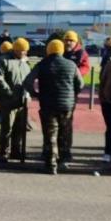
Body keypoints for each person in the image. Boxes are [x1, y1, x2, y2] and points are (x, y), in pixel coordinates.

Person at [23, 40, 84, 174]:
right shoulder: (71, 64)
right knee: (65, 132)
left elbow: (27, 82)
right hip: (66, 104)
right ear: (62, 50)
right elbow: (80, 84)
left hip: (48, 104)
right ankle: (64, 160)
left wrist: (36, 94)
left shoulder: (42, 65)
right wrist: (71, 94)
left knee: (50, 134)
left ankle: (51, 164)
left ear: (48, 50)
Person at [0, 37, 31, 162]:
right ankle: (3, 152)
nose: (23, 53)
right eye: (21, 51)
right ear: (15, 50)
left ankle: (16, 151)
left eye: (25, 51)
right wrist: (8, 92)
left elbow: (28, 79)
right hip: (8, 101)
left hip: (22, 101)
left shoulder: (25, 62)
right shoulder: (3, 61)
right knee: (6, 128)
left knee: (19, 129)